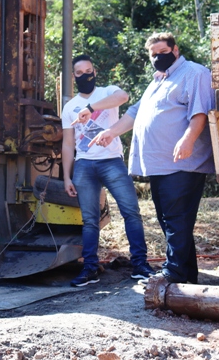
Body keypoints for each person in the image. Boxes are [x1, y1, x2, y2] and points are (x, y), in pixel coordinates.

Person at [93, 32, 215, 284]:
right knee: (170, 220)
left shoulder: (194, 73)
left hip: (183, 163)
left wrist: (187, 139)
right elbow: (135, 113)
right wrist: (111, 131)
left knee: (176, 220)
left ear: (176, 50)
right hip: (160, 165)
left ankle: (175, 272)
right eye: (153, 54)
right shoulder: (157, 82)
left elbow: (200, 110)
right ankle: (185, 274)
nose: (158, 57)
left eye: (163, 52)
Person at [62, 54, 153, 287]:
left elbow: (123, 97)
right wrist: (66, 176)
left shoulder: (107, 92)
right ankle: (90, 268)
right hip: (84, 166)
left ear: (95, 71)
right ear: (73, 77)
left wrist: (90, 108)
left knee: (131, 212)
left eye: (88, 71)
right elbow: (68, 144)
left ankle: (140, 265)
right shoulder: (69, 107)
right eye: (79, 73)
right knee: (89, 221)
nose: (85, 76)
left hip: (112, 161)